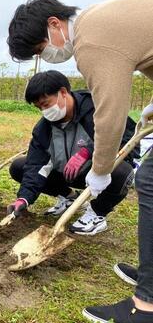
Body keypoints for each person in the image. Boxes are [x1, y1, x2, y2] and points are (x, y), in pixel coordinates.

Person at [8, 0, 153, 323]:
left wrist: (100, 170)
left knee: (148, 181)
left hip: (106, 158)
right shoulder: (104, 20)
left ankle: (147, 304)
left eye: (40, 49)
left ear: (54, 24)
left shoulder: (91, 38)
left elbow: (111, 114)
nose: (45, 57)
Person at [7, 71, 137, 235]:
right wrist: (23, 198)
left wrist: (89, 153)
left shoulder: (98, 109)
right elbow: (35, 165)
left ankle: (97, 213)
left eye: (46, 104)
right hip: (67, 174)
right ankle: (69, 196)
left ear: (63, 92)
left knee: (122, 171)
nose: (44, 111)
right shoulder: (44, 128)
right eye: (39, 107)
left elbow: (129, 141)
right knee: (20, 166)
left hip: (98, 175)